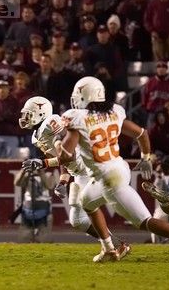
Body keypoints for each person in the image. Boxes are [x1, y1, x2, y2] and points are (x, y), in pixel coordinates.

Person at [23, 76, 169, 265]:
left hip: (106, 177)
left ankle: (120, 246)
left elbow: (67, 156)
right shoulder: (114, 111)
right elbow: (141, 133)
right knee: (95, 204)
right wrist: (145, 158)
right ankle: (114, 247)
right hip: (119, 167)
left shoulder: (77, 119)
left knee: (138, 220)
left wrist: (50, 154)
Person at [18, 96, 126, 258]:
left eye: (29, 114)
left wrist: (42, 163)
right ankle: (116, 244)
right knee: (78, 220)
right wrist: (63, 179)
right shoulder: (37, 136)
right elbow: (63, 159)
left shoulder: (51, 123)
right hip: (78, 172)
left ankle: (113, 246)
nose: (25, 118)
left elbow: (68, 153)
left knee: (98, 207)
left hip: (88, 168)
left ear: (41, 113)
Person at [14, 168, 55, 243]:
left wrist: (41, 172)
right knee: (24, 239)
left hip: (44, 212)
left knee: (45, 239)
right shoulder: (27, 176)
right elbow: (17, 183)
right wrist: (23, 171)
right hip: (28, 210)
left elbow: (50, 186)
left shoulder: (49, 175)